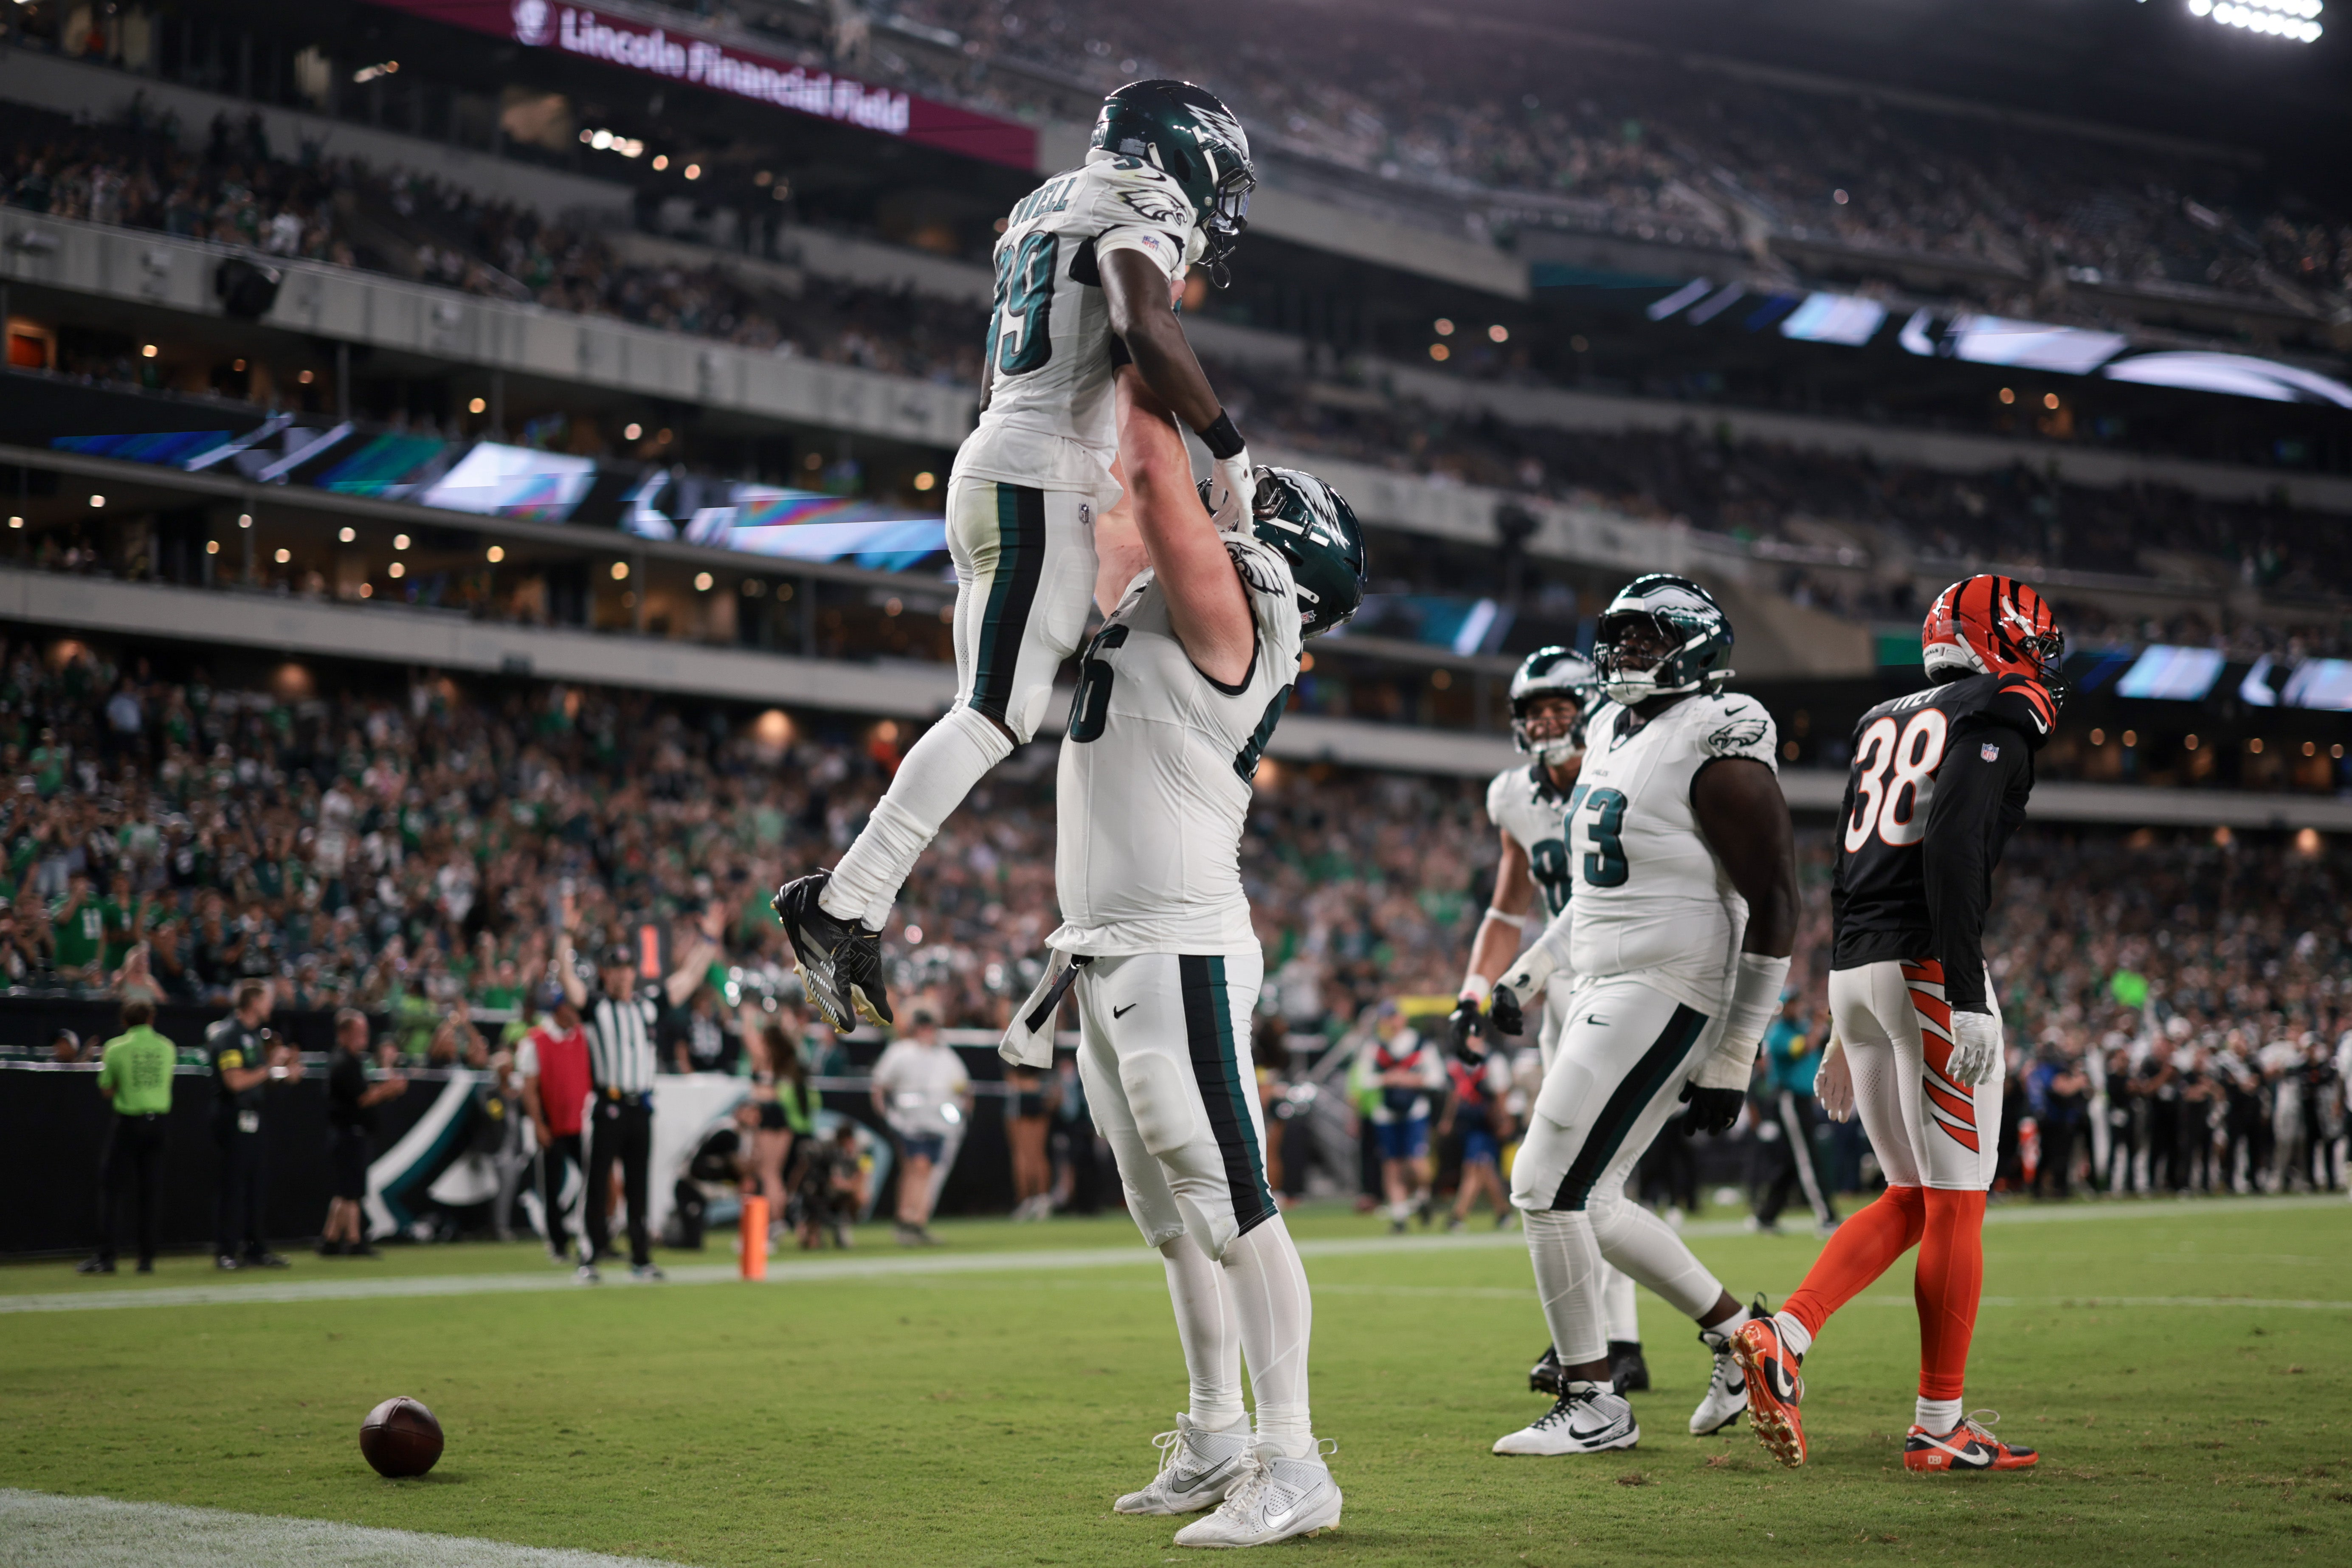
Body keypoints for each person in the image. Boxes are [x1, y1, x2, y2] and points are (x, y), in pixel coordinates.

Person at [773, 77, 1262, 1035]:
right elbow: (1138, 319)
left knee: (987, 706)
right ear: (1180, 150)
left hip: (998, 455)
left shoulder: (1045, 200)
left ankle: (854, 902)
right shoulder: (1145, 200)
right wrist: (1228, 443)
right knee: (997, 713)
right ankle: (844, 903)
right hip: (1036, 477)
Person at [995, 361, 1364, 1545]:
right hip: (1109, 955)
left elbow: (1153, 475)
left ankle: (1294, 1459)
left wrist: (1143, 338)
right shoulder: (1178, 597)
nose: (1214, 519)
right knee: (1170, 1218)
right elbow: (1111, 499)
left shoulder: (1243, 612)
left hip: (1181, 947)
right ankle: (1213, 1432)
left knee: (1233, 1204)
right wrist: (1064, 367)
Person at [1737, 573, 2064, 1476]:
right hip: (1924, 970)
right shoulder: (1999, 704)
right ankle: (1938, 1423)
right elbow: (1955, 843)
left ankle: (1785, 1333)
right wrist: (1963, 987)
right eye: (2031, 641)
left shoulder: (1886, 715)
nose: (2039, 661)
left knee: (1911, 1195)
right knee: (1957, 1201)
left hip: (1858, 966)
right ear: (2001, 639)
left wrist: (1840, 1014)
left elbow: (1847, 857)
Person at [1486, 574, 1795, 1456]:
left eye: (1647, 639)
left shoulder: (1719, 729)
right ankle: (1746, 1339)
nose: (1625, 653)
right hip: (1605, 978)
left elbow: (1775, 897)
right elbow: (1593, 892)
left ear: (1696, 647)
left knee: (1544, 1185)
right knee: (1595, 1198)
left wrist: (1737, 1048)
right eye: (1618, 637)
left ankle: (1594, 1396)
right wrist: (1530, 973)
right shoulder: (1618, 729)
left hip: (1667, 980)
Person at [1451, 645, 1650, 1400]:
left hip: (1623, 972)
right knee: (1581, 1169)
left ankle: (1607, 1343)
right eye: (1533, 712)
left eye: (1560, 709)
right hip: (1557, 984)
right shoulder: (1512, 795)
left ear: (1589, 710)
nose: (1545, 723)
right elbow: (1505, 907)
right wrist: (1472, 991)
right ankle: (1613, 1344)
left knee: (1582, 1168)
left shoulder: (1622, 770)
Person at [558, 932, 663, 1283]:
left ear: (635, 971)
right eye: (616, 968)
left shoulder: (647, 1006)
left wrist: (710, 938)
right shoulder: (597, 1006)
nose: (623, 974)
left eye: (628, 967)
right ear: (605, 973)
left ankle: (640, 1257)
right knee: (597, 1183)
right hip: (608, 1104)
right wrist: (565, 935)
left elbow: (685, 982)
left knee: (638, 1186)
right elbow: (567, 979)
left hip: (641, 1107)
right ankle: (588, 1255)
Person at [78, 997, 176, 1275]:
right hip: (158, 1123)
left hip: (129, 1123)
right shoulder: (167, 1047)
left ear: (124, 1021)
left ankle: (107, 1257)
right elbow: (164, 1081)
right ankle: (147, 1259)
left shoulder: (116, 1048)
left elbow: (107, 1089)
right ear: (151, 1019)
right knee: (151, 1192)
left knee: (112, 1189)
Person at [207, 978, 300, 1270]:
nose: (271, 1005)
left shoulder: (253, 1036)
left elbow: (256, 1082)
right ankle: (226, 1250)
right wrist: (271, 1068)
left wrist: (283, 1074)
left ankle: (255, 1249)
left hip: (253, 1117)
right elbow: (235, 1081)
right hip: (232, 1116)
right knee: (233, 1185)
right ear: (254, 1002)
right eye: (267, 999)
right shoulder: (230, 1034)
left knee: (255, 1185)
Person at [870, 1005, 971, 1245]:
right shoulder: (901, 1052)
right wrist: (889, 1117)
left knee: (921, 1171)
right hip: (909, 1123)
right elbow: (880, 1086)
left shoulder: (945, 1056)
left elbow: (965, 1088)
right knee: (918, 1168)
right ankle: (910, 1219)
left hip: (936, 1124)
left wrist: (961, 1114)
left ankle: (913, 1219)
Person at [1749, 993, 1837, 1236]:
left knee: (1790, 1162)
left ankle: (1766, 1217)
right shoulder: (1778, 1034)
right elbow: (1804, 1047)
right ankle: (1827, 1217)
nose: (1798, 1007)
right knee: (1808, 1157)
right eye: (1794, 1003)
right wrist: (1819, 1023)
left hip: (1802, 1101)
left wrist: (1822, 1022)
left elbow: (1827, 1043)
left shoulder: (1801, 1027)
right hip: (1789, 1100)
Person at [319, 1008, 405, 1257]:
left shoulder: (352, 1061)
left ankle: (331, 1239)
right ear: (344, 1034)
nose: (364, 1037)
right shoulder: (343, 1062)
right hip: (348, 1133)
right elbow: (362, 1099)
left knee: (345, 1190)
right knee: (352, 1192)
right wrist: (388, 1089)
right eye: (358, 1032)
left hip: (349, 1133)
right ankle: (355, 1240)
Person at [518, 987, 594, 1268]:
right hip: (552, 1122)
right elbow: (529, 1089)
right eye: (570, 1006)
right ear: (558, 1009)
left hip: (582, 1121)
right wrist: (538, 1124)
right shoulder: (536, 1041)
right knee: (551, 1185)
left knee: (593, 1181)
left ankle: (594, 1236)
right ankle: (558, 1241)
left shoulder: (582, 1036)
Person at [1363, 1004, 1443, 1233]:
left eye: (1393, 1017)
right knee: (1392, 1164)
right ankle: (1399, 1216)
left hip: (1414, 1111)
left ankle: (1422, 1197)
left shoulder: (1421, 1044)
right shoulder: (1375, 1046)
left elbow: (1437, 1078)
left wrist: (1411, 1080)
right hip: (1386, 1113)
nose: (1390, 1023)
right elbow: (1365, 1078)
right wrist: (1388, 1079)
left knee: (1417, 1162)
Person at [749, 1014, 817, 1237]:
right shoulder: (785, 1063)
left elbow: (748, 1035)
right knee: (774, 1174)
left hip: (769, 1115)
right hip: (782, 1118)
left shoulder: (764, 1060)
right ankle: (777, 1220)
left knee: (767, 1173)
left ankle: (772, 1222)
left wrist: (748, 1014)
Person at [1440, 1030, 1514, 1232]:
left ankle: (1458, 1214)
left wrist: (1504, 1120)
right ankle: (1503, 1212)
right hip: (1467, 1123)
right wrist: (1448, 1119)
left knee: (1474, 1166)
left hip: (1486, 1123)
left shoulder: (1492, 1060)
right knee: (1485, 1168)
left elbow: (1501, 1093)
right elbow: (1455, 1094)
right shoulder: (1458, 1061)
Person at [1006, 1061, 1056, 1221]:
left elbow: (1011, 1077)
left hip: (1025, 1097)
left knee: (1025, 1155)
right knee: (1032, 1154)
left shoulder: (1017, 1041)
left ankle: (1034, 1200)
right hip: (1037, 1093)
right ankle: (1035, 1201)